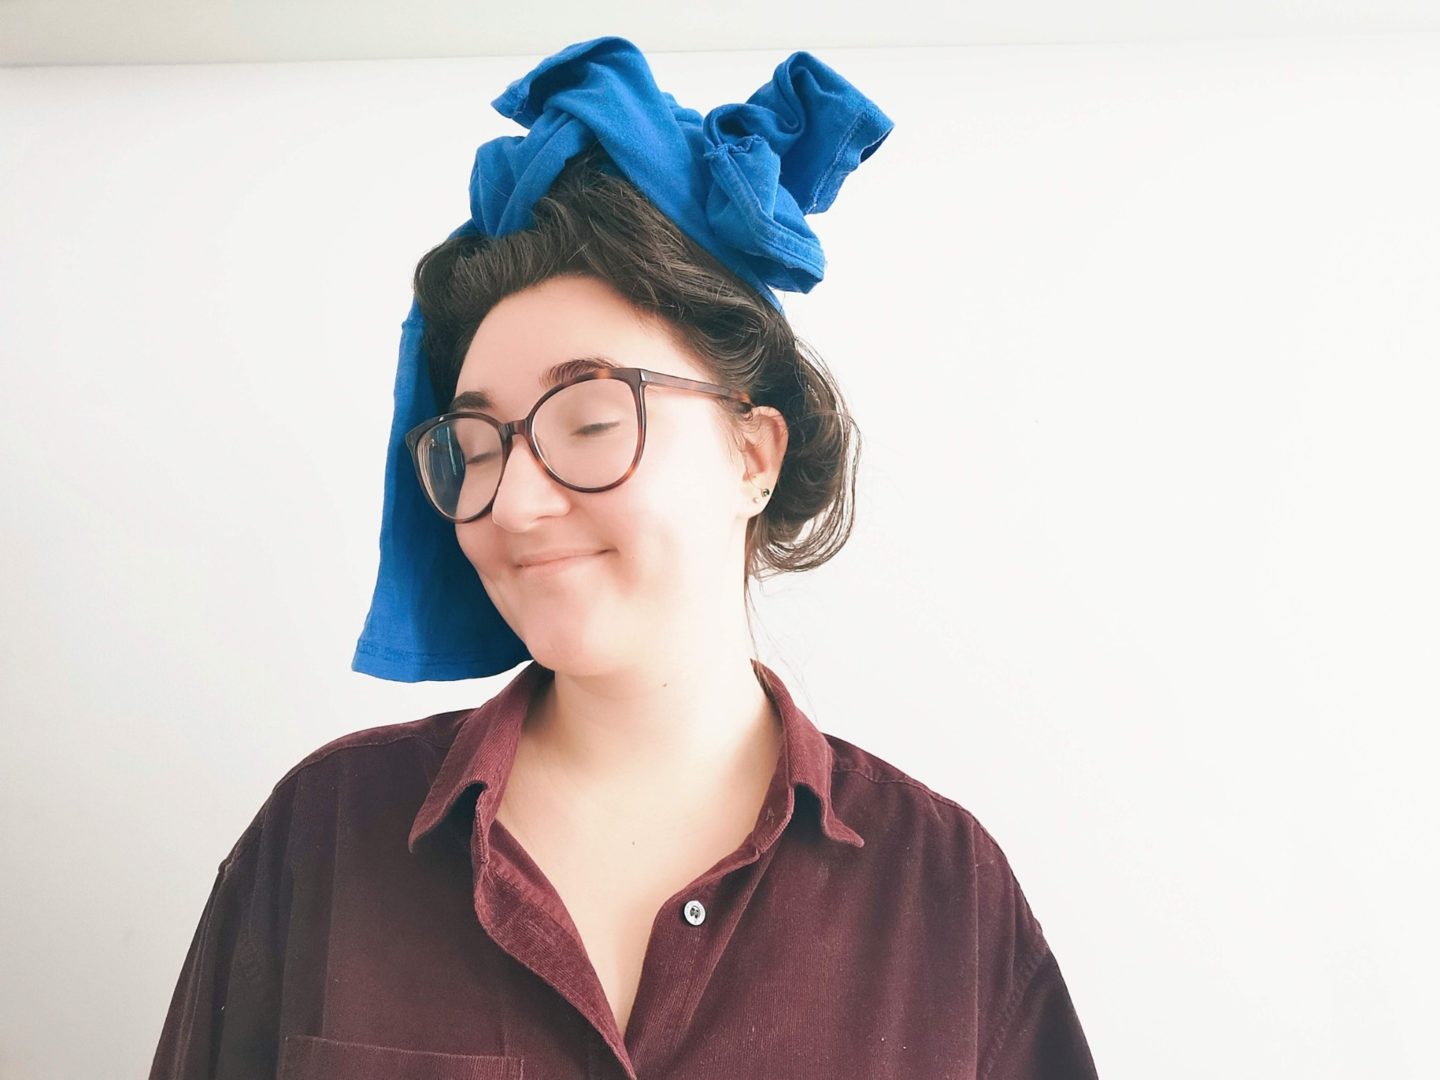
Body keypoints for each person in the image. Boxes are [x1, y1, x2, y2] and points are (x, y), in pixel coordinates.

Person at [149, 37, 1099, 1079]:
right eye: (473, 446)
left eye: (592, 421)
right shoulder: (323, 841)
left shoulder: (946, 896)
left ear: (753, 453)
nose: (510, 500)